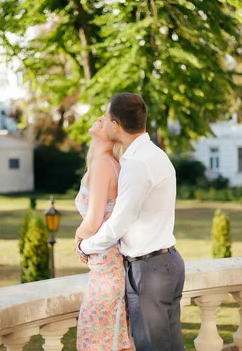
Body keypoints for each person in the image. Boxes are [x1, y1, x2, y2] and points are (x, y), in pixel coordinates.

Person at [77, 93, 185, 351]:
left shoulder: (136, 164)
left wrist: (85, 247)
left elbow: (117, 224)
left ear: (116, 125)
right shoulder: (155, 155)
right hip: (167, 262)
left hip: (150, 270)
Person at [74, 115, 131, 350]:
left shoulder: (102, 165)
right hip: (110, 265)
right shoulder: (111, 164)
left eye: (107, 119)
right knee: (113, 341)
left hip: (106, 269)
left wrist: (78, 239)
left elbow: (93, 221)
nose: (101, 118)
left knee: (94, 343)